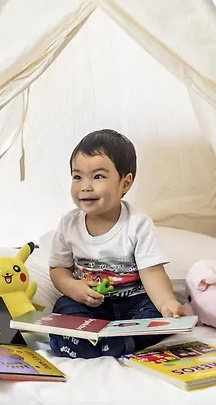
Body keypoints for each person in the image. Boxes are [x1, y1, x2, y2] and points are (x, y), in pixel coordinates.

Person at [49, 129, 186, 359]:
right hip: (91, 305)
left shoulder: (137, 224)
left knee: (157, 314)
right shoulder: (68, 224)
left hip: (134, 304)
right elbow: (58, 268)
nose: (85, 186)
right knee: (64, 307)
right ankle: (90, 342)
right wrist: (73, 287)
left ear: (125, 183)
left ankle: (118, 342)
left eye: (98, 177)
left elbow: (152, 272)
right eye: (77, 177)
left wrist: (167, 302)